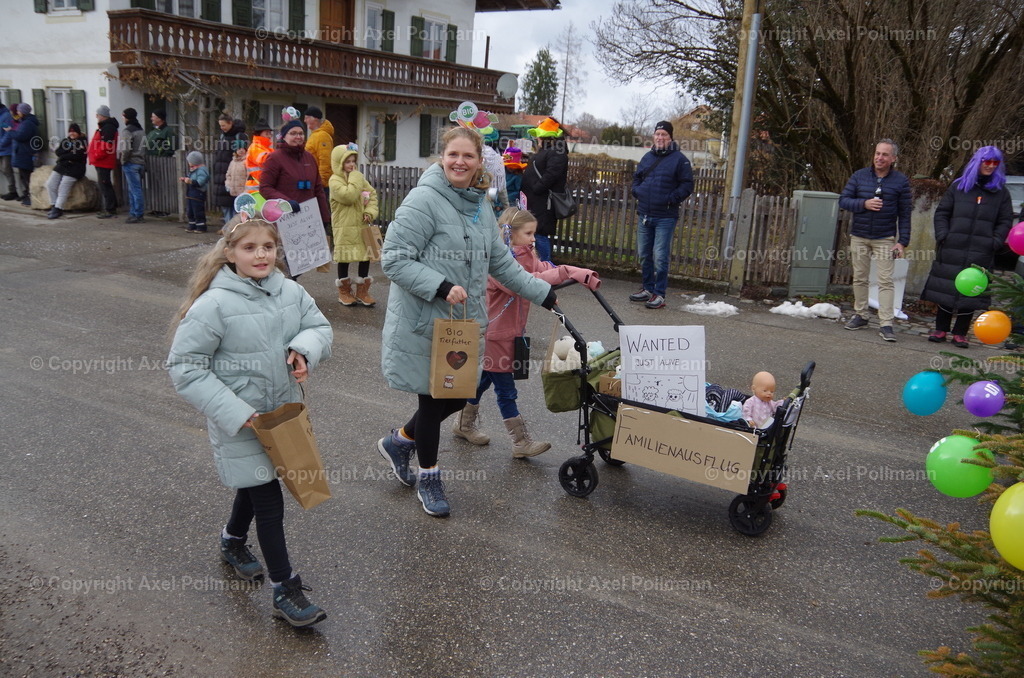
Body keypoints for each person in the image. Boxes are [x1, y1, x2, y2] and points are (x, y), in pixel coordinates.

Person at [376, 126, 557, 518]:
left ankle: (400, 440)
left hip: (462, 324)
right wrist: (440, 286)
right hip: (426, 319)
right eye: (453, 154)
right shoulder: (423, 200)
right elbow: (393, 258)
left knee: (460, 393)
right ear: (442, 157)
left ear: (479, 162)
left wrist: (542, 292)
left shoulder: (479, 207)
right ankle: (429, 476)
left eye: (468, 156)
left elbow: (502, 264)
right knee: (434, 398)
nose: (460, 162)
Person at [167, 218, 332, 628]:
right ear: (229, 253)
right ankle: (285, 589)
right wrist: (236, 413)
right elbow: (185, 367)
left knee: (255, 481)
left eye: (268, 246)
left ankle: (232, 541)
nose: (260, 254)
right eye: (249, 247)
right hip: (239, 421)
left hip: (282, 418)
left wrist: (302, 349)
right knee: (269, 499)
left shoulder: (291, 291)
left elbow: (320, 327)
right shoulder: (214, 305)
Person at [452, 206, 600, 456]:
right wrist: (564, 275)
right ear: (511, 234)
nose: (534, 239)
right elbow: (523, 283)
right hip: (496, 335)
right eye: (529, 233)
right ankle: (520, 442)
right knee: (506, 390)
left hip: (511, 333)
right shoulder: (499, 262)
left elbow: (540, 270)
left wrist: (572, 272)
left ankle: (463, 424)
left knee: (483, 380)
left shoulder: (526, 255)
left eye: (534, 233)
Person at [920, 145, 1013, 348]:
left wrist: (994, 242)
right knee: (947, 286)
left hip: (982, 250)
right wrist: (944, 235)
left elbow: (1005, 221)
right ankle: (941, 329)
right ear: (977, 162)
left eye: (994, 162)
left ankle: (960, 333)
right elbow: (942, 213)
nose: (990, 165)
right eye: (986, 161)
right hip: (953, 246)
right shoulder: (959, 187)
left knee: (971, 290)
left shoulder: (1001, 193)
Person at [839, 138, 912, 342]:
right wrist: (864, 203)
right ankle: (861, 315)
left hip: (885, 238)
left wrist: (902, 241)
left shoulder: (900, 181)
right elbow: (843, 200)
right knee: (860, 277)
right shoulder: (859, 176)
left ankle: (886, 323)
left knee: (885, 281)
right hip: (859, 236)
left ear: (893, 159)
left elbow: (905, 214)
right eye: (878, 153)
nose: (880, 158)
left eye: (885, 154)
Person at [628, 120, 694, 310]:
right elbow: (637, 178)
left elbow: (687, 185)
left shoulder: (680, 160)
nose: (660, 137)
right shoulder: (647, 157)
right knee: (644, 255)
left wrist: (671, 199)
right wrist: (637, 191)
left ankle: (659, 293)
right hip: (645, 214)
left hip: (665, 216)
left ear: (670, 137)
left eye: (664, 134)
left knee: (660, 256)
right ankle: (647, 289)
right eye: (657, 134)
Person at [259, 119, 331, 238]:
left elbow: (318, 190)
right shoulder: (275, 158)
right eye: (293, 133)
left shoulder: (309, 158)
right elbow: (265, 188)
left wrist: (324, 218)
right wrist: (286, 202)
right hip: (286, 220)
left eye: (301, 133)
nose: (298, 136)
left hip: (309, 219)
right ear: (284, 136)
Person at [329, 145, 378, 306]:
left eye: (353, 161)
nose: (352, 165)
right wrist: (356, 177)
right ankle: (344, 292)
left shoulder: (358, 178)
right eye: (347, 162)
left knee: (365, 256)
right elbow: (348, 196)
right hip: (344, 226)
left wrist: (370, 212)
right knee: (344, 257)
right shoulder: (335, 180)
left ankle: (362, 291)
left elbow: (372, 195)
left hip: (361, 225)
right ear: (338, 163)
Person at [520, 117, 569, 263]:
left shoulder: (556, 152)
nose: (538, 138)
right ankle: (542, 267)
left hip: (543, 202)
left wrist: (537, 187)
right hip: (537, 200)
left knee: (540, 234)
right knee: (537, 233)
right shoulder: (550, 150)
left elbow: (552, 173)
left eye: (540, 135)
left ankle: (547, 267)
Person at [45, 123, 87, 219]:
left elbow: (77, 156)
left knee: (63, 186)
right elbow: (58, 152)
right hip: (62, 166)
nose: (72, 134)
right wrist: (68, 153)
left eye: (74, 132)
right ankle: (54, 205)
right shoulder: (66, 140)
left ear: (78, 132)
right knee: (50, 184)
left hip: (76, 168)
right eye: (70, 131)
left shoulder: (82, 142)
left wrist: (65, 155)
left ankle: (59, 208)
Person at [212, 115, 248, 222]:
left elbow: (244, 152)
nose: (222, 127)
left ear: (230, 123)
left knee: (235, 203)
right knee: (225, 203)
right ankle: (228, 226)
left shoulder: (239, 136)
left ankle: (234, 226)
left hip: (235, 173)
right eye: (220, 125)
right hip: (224, 173)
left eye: (223, 125)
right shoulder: (223, 136)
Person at [88, 105, 119, 218]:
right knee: (105, 184)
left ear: (101, 115)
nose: (96, 117)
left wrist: (96, 156)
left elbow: (106, 146)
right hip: (102, 161)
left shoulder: (108, 127)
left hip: (103, 161)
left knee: (105, 185)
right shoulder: (106, 126)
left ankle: (110, 209)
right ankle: (111, 207)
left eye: (97, 115)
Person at [10, 103, 41, 206]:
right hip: (23, 152)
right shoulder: (25, 122)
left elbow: (21, 136)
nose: (17, 113)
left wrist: (10, 131)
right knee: (24, 176)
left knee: (27, 176)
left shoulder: (27, 123)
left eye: (19, 111)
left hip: (25, 153)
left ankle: (30, 197)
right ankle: (26, 195)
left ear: (23, 112)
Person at [119, 108, 146, 223]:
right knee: (135, 189)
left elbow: (125, 149)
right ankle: (134, 213)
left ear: (126, 117)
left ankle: (137, 214)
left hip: (131, 163)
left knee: (134, 190)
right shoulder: (141, 130)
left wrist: (123, 161)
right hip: (141, 162)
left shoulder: (127, 131)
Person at [302, 106, 334, 201]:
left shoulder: (322, 136)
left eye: (307, 117)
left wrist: (322, 183)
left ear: (315, 118)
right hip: (313, 181)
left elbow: (325, 161)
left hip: (320, 185)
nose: (304, 120)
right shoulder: (315, 135)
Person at [181, 150, 210, 233]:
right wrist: (185, 179)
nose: (189, 163)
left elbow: (200, 182)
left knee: (198, 211)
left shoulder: (201, 170)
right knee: (190, 211)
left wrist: (190, 181)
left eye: (190, 161)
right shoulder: (193, 170)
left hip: (198, 194)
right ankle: (192, 225)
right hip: (191, 194)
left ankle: (201, 227)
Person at [244, 120, 274, 195]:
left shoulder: (266, 148)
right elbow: (266, 160)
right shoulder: (255, 147)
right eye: (267, 133)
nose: (269, 136)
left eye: (270, 133)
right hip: (256, 190)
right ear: (259, 133)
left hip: (261, 187)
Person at [0, 103, 15, 200]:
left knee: (7, 170)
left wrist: (1, 144)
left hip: (5, 150)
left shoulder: (5, 116)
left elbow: (8, 133)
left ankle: (12, 191)